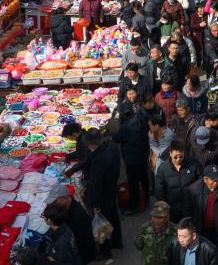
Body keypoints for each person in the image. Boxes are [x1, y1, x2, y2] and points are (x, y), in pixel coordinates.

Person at [83, 129, 122, 258]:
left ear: (92, 144)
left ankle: (105, 251)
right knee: (114, 217)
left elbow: (96, 184)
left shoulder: (99, 159)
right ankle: (117, 242)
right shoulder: (111, 147)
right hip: (112, 189)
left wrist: (95, 204)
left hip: (103, 195)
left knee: (103, 223)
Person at [188, 166, 218, 257]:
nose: (216, 183)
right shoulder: (194, 190)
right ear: (205, 179)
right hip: (200, 230)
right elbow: (188, 211)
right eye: (213, 180)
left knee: (217, 255)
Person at [114, 101, 151, 215]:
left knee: (133, 184)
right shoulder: (141, 119)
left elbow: (116, 138)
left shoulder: (126, 127)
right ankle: (147, 199)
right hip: (143, 155)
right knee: (144, 178)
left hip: (132, 160)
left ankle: (134, 207)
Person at [154, 141, 201, 222]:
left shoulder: (194, 164)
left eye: (181, 156)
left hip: (191, 208)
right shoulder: (163, 169)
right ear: (170, 153)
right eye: (175, 157)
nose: (178, 159)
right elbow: (159, 191)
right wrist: (164, 209)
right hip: (172, 210)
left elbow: (201, 181)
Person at [40, 201, 81, 265]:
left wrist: (54, 263)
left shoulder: (62, 244)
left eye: (44, 216)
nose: (43, 218)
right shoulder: (63, 225)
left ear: (49, 221)